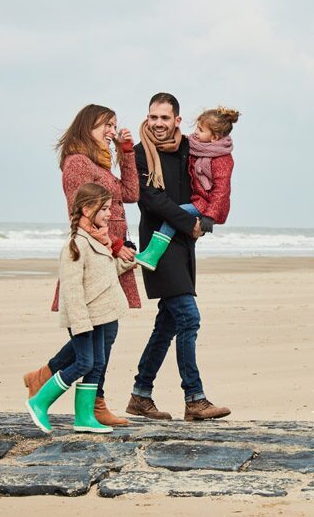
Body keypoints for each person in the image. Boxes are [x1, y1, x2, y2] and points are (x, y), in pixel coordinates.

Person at [22, 104, 139, 427]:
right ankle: (90, 402)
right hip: (94, 257)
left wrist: (126, 152)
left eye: (115, 126)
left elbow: (130, 193)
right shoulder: (76, 163)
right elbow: (81, 213)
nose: (111, 131)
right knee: (98, 335)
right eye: (106, 125)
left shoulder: (99, 163)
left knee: (104, 332)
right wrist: (113, 245)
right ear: (87, 125)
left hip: (109, 258)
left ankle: (67, 391)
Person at [125, 92, 232, 421]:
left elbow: (214, 165)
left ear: (176, 121)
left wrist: (208, 216)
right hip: (158, 246)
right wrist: (191, 222)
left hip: (184, 245)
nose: (158, 123)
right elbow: (151, 200)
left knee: (167, 324)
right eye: (153, 117)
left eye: (164, 118)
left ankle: (141, 395)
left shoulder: (189, 147)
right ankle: (195, 398)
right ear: (147, 118)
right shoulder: (140, 154)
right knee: (188, 318)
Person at [26, 183, 136, 434]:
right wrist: (79, 324)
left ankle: (84, 417)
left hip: (101, 314)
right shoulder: (76, 245)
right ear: (87, 209)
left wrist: (127, 264)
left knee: (96, 363)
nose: (109, 214)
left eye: (109, 208)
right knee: (84, 363)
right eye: (104, 208)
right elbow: (72, 289)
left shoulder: (99, 239)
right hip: (85, 318)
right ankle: (39, 401)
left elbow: (104, 276)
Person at [134, 106, 240, 269]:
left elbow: (221, 191)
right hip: (198, 200)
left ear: (214, 137)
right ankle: (152, 254)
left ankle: (152, 254)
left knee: (175, 215)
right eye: (197, 127)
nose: (196, 132)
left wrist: (210, 216)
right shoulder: (197, 146)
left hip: (207, 205)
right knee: (176, 216)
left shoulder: (222, 158)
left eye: (201, 130)